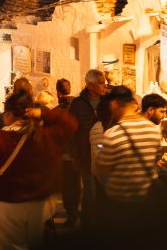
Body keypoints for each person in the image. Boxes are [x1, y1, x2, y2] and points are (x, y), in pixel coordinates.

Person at [0, 91, 77, 250]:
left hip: (7, 203)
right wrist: (43, 113)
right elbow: (70, 123)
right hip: (40, 203)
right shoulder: (46, 136)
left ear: (8, 114)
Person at [94, 86, 162, 208]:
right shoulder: (153, 130)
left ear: (114, 104)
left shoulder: (113, 134)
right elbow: (156, 158)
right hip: (148, 200)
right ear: (134, 104)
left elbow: (100, 170)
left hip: (121, 201)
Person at [68, 69, 106, 229]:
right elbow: (71, 132)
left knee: (103, 189)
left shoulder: (107, 102)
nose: (105, 85)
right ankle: (87, 225)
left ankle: (100, 222)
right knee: (90, 190)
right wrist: (74, 157)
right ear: (90, 86)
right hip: (85, 154)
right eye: (101, 82)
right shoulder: (77, 104)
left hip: (105, 153)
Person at [56, 79, 79, 227]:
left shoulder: (57, 111)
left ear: (57, 92)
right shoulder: (78, 107)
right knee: (77, 185)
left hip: (64, 154)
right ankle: (75, 214)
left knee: (67, 186)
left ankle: (71, 216)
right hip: (78, 154)